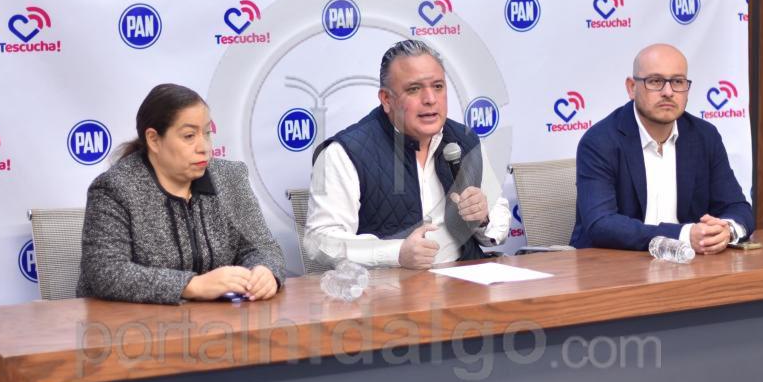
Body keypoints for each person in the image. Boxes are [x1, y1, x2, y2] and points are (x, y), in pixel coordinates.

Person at [305, 40, 510, 268]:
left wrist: (483, 218)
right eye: (414, 89)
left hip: (466, 277)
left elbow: (498, 220)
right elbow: (319, 240)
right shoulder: (344, 152)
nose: (430, 99)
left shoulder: (465, 140)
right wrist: (396, 253)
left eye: (438, 86)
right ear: (386, 99)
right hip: (390, 285)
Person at [78, 83, 286, 303]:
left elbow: (262, 247)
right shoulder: (114, 189)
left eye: (207, 133)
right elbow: (106, 271)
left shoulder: (230, 178)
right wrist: (192, 286)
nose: (204, 147)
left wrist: (265, 271)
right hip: (128, 321)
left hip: (219, 318)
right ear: (154, 139)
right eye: (189, 136)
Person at [570, 43, 755, 253]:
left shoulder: (704, 136)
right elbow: (601, 224)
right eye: (656, 81)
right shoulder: (600, 141)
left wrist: (726, 230)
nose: (668, 92)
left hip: (688, 263)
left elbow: (738, 208)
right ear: (632, 87)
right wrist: (684, 235)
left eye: (677, 81)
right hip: (614, 262)